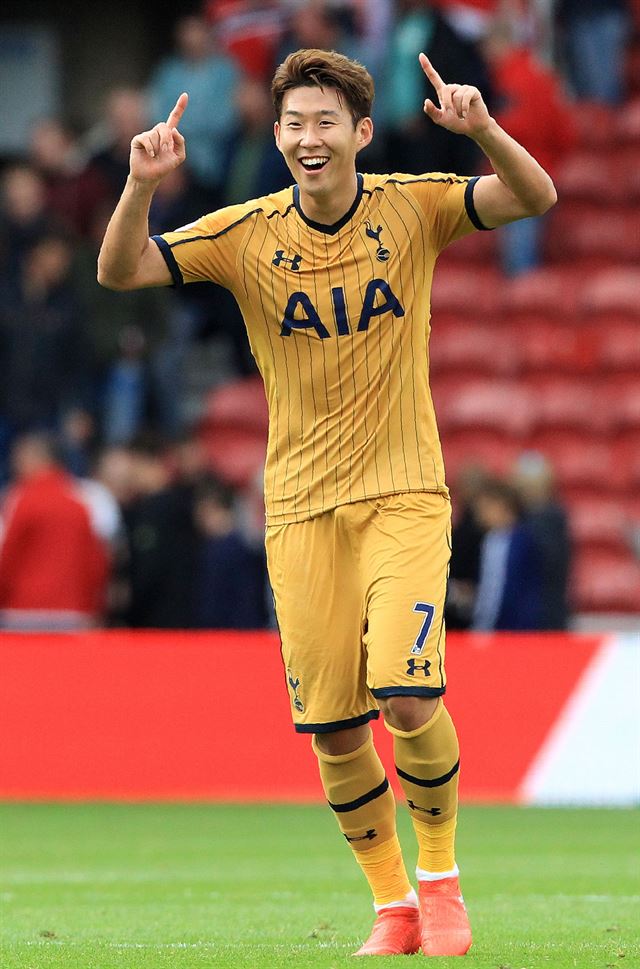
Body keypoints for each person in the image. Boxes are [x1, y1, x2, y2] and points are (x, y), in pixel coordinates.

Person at [97, 47, 556, 956]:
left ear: (361, 133)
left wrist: (483, 131)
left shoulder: (415, 204)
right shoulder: (244, 233)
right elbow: (123, 272)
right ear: (277, 138)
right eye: (295, 125)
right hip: (300, 508)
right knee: (338, 727)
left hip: (405, 493)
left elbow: (533, 199)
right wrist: (140, 185)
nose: (310, 139)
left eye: (326, 123)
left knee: (407, 693)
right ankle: (392, 906)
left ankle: (441, 879)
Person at [0, 433, 109, 631]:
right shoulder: (82, 500)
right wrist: (94, 607)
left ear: (37, 458)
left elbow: (8, 557)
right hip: (73, 612)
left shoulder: (21, 500)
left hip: (23, 611)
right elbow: (96, 562)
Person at [471, 478, 543, 631]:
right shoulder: (488, 541)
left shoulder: (524, 541)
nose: (481, 515)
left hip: (516, 627)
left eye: (486, 508)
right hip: (488, 625)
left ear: (502, 506)